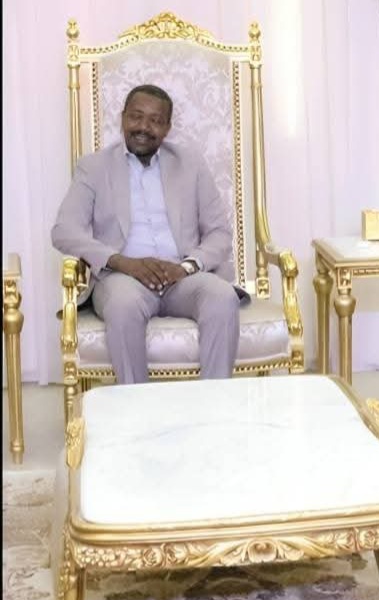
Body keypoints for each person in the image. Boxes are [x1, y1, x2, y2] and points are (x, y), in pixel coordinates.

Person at [52, 84, 246, 384]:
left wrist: (186, 266)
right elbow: (64, 231)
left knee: (221, 296)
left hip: (182, 277)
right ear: (122, 118)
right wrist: (123, 262)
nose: (144, 127)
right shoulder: (94, 167)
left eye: (156, 120)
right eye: (136, 116)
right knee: (123, 305)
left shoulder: (190, 164)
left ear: (167, 128)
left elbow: (219, 233)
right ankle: (135, 405)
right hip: (122, 278)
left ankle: (214, 404)